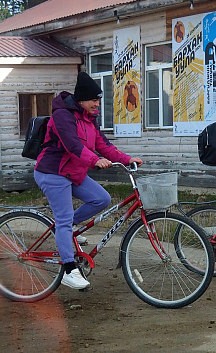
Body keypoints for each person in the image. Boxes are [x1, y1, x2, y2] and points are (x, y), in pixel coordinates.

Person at [34, 72, 143, 289]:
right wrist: (95, 160)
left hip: (74, 173)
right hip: (53, 173)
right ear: (81, 99)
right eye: (94, 100)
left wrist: (127, 159)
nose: (97, 104)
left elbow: (104, 145)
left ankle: (66, 231)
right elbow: (73, 145)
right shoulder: (62, 116)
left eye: (98, 100)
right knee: (63, 219)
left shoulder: (89, 119)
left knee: (101, 199)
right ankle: (69, 270)